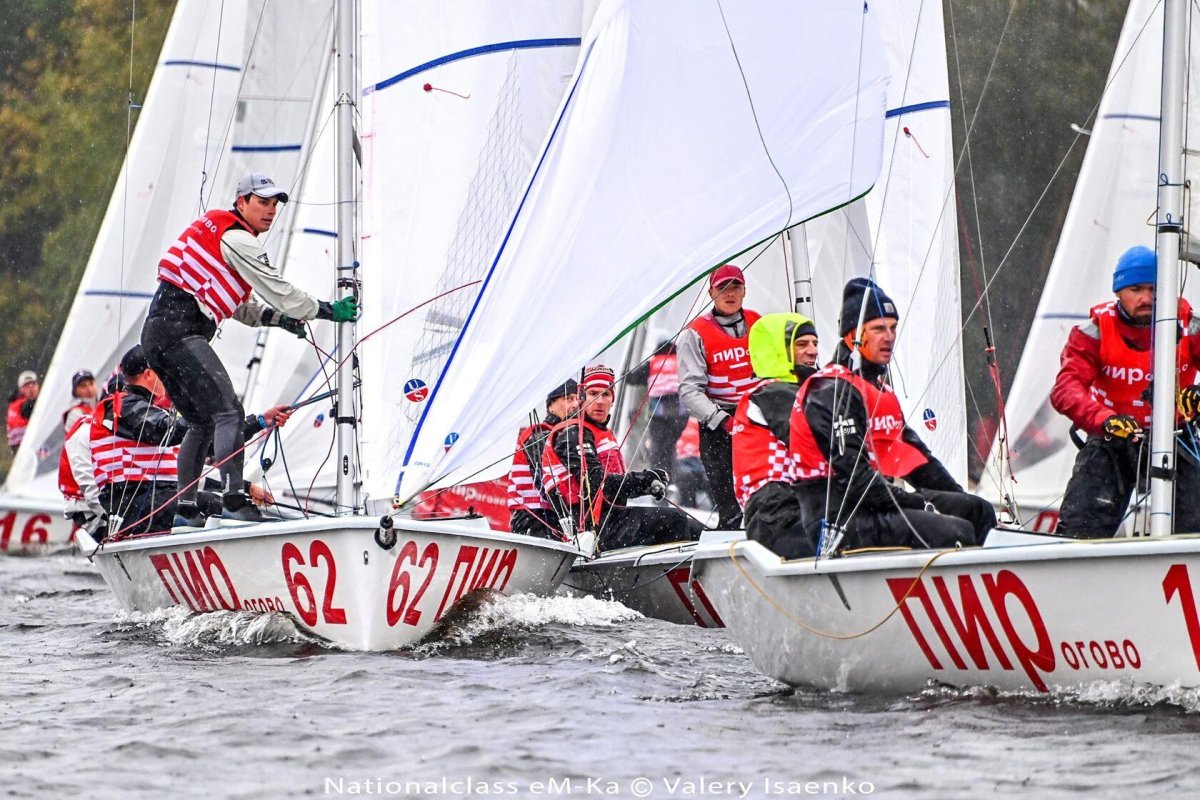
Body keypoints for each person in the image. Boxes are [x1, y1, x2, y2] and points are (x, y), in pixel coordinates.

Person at [140, 172, 355, 525]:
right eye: (262, 202)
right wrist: (326, 310)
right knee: (229, 413)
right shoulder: (238, 238)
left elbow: (241, 306)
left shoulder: (222, 237)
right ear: (242, 203)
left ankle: (187, 511)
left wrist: (281, 321)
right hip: (179, 332)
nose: (270, 211)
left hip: (156, 335)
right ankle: (234, 502)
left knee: (199, 422)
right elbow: (278, 287)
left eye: (275, 204)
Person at [790, 278, 992, 552]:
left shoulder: (878, 389)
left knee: (977, 511)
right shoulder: (830, 389)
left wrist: (957, 497)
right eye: (878, 329)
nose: (889, 336)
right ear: (853, 335)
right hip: (837, 518)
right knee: (955, 531)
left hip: (874, 507)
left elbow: (918, 461)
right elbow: (855, 480)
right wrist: (920, 504)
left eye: (893, 328)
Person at [1050, 246, 1200, 537]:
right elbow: (1065, 389)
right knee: (1080, 527)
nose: (1146, 298)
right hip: (1114, 436)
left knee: (1194, 526)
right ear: (1118, 291)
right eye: (1136, 289)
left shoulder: (1190, 326)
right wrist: (1103, 418)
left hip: (1177, 437)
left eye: (1154, 289)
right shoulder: (1094, 330)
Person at [90, 346, 291, 539]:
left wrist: (260, 422)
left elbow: (209, 446)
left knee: (224, 505)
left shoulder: (147, 409)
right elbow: (163, 429)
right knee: (215, 505)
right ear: (150, 374)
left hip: (155, 500)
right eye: (164, 372)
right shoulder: (122, 407)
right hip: (133, 507)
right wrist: (206, 412)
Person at [542, 365, 703, 550]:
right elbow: (596, 482)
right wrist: (643, 480)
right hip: (590, 529)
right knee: (675, 521)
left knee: (697, 530)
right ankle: (677, 576)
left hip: (612, 519)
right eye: (593, 394)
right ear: (582, 397)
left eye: (606, 395)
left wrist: (648, 484)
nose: (600, 401)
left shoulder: (600, 432)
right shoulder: (572, 433)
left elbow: (615, 486)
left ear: (613, 399)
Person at [731, 313, 820, 559]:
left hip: (797, 509)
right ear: (778, 351)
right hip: (778, 515)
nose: (813, 351)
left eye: (815, 343)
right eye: (802, 344)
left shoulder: (801, 393)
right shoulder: (773, 392)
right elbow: (828, 449)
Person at [678, 264, 761, 529]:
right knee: (729, 505)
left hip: (757, 416)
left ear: (745, 290)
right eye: (722, 287)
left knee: (764, 490)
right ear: (711, 293)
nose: (729, 293)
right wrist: (721, 420)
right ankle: (729, 532)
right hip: (718, 423)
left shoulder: (759, 323)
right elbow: (689, 391)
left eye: (735, 286)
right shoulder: (694, 333)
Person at [506, 379, 579, 538]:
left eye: (577, 399)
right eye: (568, 399)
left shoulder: (560, 436)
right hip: (534, 518)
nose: (575, 404)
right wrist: (573, 518)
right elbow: (547, 482)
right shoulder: (539, 435)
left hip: (548, 518)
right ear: (551, 406)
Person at [627, 341, 687, 475]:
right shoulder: (682, 362)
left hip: (660, 416)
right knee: (672, 447)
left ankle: (658, 478)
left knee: (658, 449)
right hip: (681, 416)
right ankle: (672, 480)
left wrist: (626, 371)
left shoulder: (653, 364)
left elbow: (632, 379)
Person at [6, 370, 39, 453]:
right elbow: (28, 409)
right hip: (24, 448)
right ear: (21, 389)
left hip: (26, 446)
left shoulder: (15, 403)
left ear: (38, 385)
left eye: (33, 384)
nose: (31, 388)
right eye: (27, 386)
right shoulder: (24, 404)